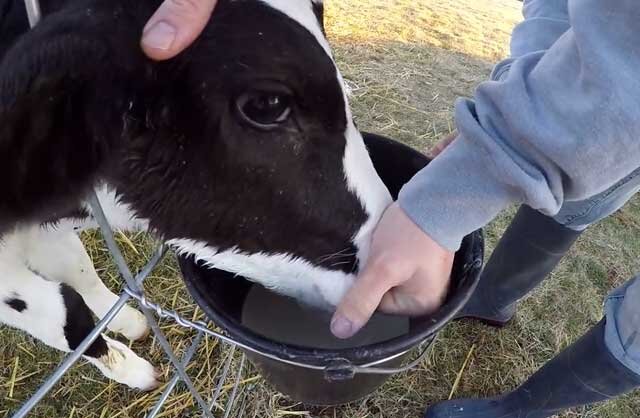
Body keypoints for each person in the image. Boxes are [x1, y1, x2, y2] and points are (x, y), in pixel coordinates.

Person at [142, 1, 640, 417]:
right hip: (607, 115)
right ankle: (491, 299)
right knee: (580, 193)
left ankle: (521, 408)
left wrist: (504, 156)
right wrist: (525, 104)